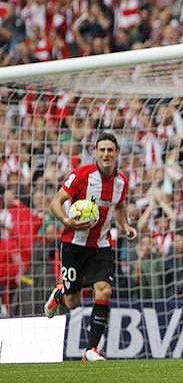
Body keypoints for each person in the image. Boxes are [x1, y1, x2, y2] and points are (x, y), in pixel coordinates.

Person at [43, 132, 137, 362]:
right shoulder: (81, 175)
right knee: (72, 301)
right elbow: (55, 202)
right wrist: (67, 221)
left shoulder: (122, 182)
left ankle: (91, 350)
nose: (106, 154)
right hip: (74, 245)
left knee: (104, 290)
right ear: (96, 152)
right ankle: (60, 293)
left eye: (110, 150)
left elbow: (120, 206)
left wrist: (125, 226)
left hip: (102, 245)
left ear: (116, 153)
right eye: (102, 150)